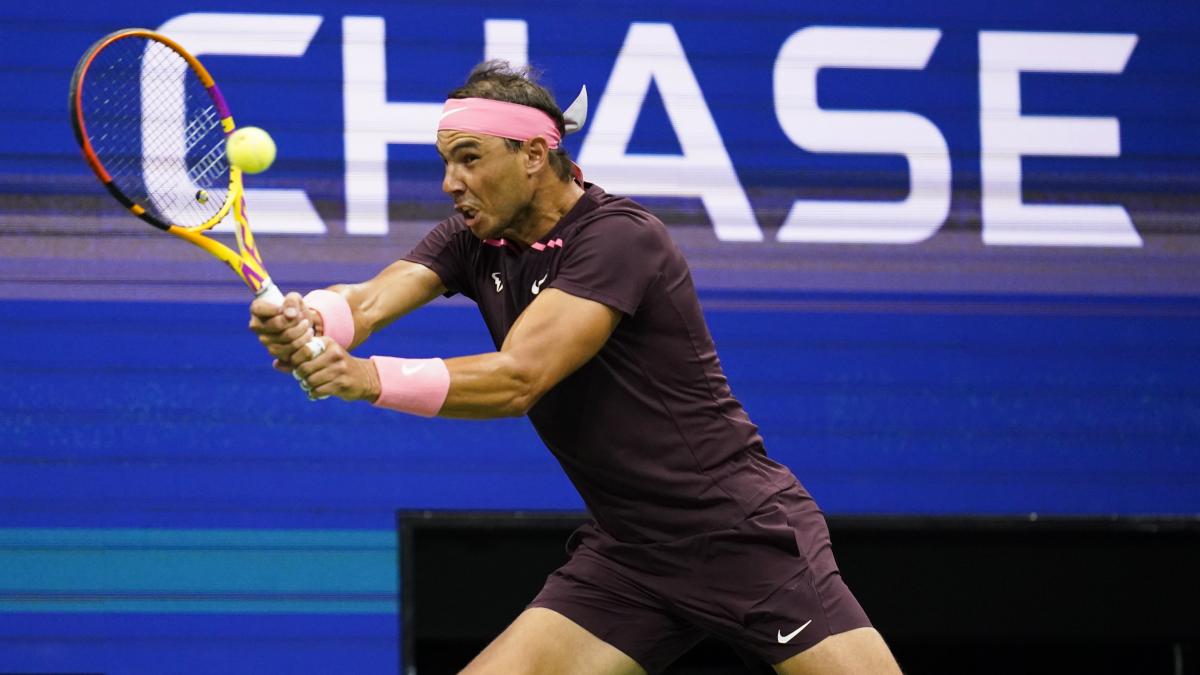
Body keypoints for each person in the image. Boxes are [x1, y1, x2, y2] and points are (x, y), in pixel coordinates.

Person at [249, 61, 902, 675]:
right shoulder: (472, 236)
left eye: (469, 158)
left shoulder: (620, 237)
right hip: (631, 554)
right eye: (446, 161)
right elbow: (371, 297)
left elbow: (519, 376)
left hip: (740, 535)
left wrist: (363, 377)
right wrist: (315, 321)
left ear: (533, 155)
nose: (451, 181)